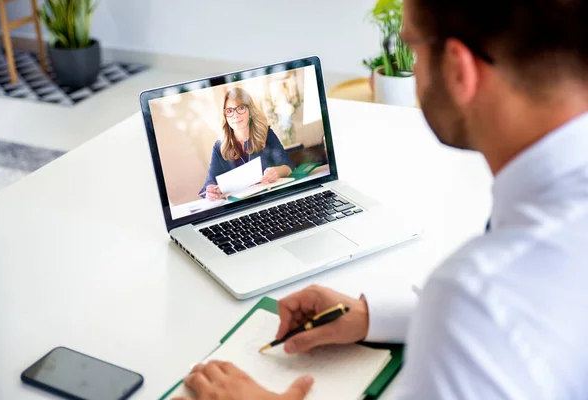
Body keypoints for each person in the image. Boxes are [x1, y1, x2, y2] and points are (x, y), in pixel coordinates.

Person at [177, 0, 588, 398]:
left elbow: (488, 315)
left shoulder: (478, 296)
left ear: (458, 69)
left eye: (411, 47)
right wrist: (375, 316)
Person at [200, 87, 294, 201]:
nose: (235, 115)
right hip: (239, 208)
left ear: (250, 111)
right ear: (225, 116)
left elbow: (288, 166)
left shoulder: (266, 134)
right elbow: (210, 182)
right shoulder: (219, 147)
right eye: (229, 111)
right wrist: (210, 190)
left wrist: (277, 172)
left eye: (240, 108)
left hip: (269, 200)